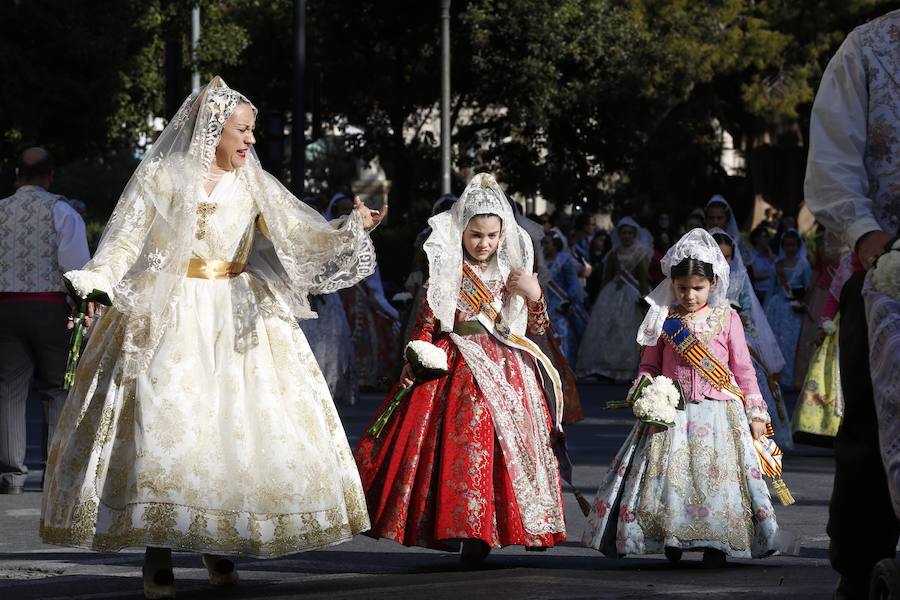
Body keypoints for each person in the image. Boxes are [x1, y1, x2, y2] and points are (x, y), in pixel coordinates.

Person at [39, 77, 381, 598]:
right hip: (168, 310)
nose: (250, 140)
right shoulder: (161, 175)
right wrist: (98, 279)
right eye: (242, 130)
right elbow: (125, 239)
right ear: (212, 129)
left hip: (237, 311)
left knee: (229, 429)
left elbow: (299, 236)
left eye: (252, 131)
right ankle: (157, 552)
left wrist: (351, 228)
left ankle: (219, 540)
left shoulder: (253, 183)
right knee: (165, 421)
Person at [354, 173, 566, 566]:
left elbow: (538, 328)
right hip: (457, 364)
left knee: (503, 447)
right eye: (475, 235)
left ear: (503, 234)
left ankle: (495, 526)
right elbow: (427, 319)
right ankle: (462, 523)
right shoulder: (448, 271)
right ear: (461, 232)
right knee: (462, 446)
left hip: (505, 366)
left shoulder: (512, 273)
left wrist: (534, 295)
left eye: (491, 236)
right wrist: (414, 356)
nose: (484, 244)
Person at [582, 229, 778, 566]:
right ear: (672, 283)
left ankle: (716, 541)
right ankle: (672, 536)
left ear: (714, 284)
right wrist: (643, 391)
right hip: (672, 413)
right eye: (682, 287)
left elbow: (744, 370)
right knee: (672, 480)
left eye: (697, 288)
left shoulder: (727, 318)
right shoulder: (663, 319)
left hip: (719, 413)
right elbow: (648, 365)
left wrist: (756, 412)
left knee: (714, 479)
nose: (689, 295)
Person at [803, 10, 900, 596]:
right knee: (872, 415)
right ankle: (861, 561)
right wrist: (866, 236)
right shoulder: (868, 50)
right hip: (886, 264)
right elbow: (833, 160)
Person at [0, 147, 91, 494]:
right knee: (55, 389)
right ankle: (54, 473)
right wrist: (83, 306)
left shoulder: (1, 210)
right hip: (51, 307)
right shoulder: (61, 211)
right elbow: (75, 265)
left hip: (5, 308)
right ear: (50, 175)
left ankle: (10, 475)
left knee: (8, 390)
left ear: (17, 175)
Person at [711, 229, 793, 451]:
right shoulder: (702, 278)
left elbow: (747, 304)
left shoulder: (738, 276)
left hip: (738, 330)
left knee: (750, 370)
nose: (723, 261)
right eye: (718, 255)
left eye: (727, 256)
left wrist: (741, 317)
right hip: (709, 332)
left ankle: (754, 427)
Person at [326, 194, 401, 390]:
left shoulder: (360, 240)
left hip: (358, 298)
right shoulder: (326, 237)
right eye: (340, 210)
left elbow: (370, 275)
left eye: (347, 209)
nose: (344, 213)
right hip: (334, 298)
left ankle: (363, 378)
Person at [792, 254, 859, 445]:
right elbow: (833, 296)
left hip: (873, 325)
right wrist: (825, 322)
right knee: (831, 376)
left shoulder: (885, 261)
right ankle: (828, 425)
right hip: (845, 326)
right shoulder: (847, 263)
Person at [576, 217, 652, 382]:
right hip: (612, 294)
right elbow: (607, 276)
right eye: (623, 233)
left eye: (629, 233)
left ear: (634, 235)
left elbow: (643, 279)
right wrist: (600, 298)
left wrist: (644, 297)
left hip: (633, 295)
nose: (626, 236)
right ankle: (604, 368)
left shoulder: (640, 253)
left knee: (628, 330)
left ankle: (625, 369)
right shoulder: (614, 253)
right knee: (608, 329)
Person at [793, 228, 848, 386]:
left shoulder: (850, 236)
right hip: (823, 291)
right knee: (816, 330)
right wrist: (808, 296)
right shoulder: (821, 240)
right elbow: (817, 270)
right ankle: (812, 377)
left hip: (844, 291)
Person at [764, 229, 813, 390]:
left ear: (798, 246)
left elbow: (808, 288)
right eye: (787, 245)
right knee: (777, 343)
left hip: (794, 310)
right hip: (777, 309)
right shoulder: (777, 265)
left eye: (793, 245)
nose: (790, 248)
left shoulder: (803, 265)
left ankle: (792, 378)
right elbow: (771, 287)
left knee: (793, 343)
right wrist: (765, 310)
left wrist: (804, 303)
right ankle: (777, 376)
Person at [542, 230, 587, 363]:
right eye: (543, 243)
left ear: (555, 244)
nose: (544, 246)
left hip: (561, 306)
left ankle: (565, 366)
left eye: (547, 243)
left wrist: (569, 301)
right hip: (545, 306)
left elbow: (572, 282)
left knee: (563, 335)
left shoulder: (565, 260)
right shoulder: (541, 262)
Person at [748, 224, 776, 302]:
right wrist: (771, 273)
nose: (767, 239)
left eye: (767, 236)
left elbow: (779, 270)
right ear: (756, 238)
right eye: (764, 236)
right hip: (759, 293)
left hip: (772, 292)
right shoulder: (751, 255)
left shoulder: (770, 254)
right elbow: (756, 275)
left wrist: (771, 256)